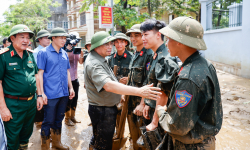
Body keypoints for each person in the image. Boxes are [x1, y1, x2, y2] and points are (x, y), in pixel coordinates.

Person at [84, 31, 162, 150]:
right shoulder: (94, 63)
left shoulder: (100, 59)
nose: (110, 47)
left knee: (102, 140)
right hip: (102, 110)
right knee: (103, 144)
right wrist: (139, 91)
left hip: (104, 107)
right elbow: (108, 85)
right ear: (97, 46)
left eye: (111, 44)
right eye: (106, 44)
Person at [156, 16, 223, 150]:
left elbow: (178, 126)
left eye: (168, 39)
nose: (166, 43)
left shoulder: (188, 77)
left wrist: (160, 111)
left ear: (179, 41)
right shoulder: (204, 64)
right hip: (202, 141)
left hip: (191, 146)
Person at [0, 24, 43, 150]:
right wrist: (3, 108)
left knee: (26, 135)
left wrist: (40, 95)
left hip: (30, 103)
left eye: (28, 37)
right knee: (12, 138)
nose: (26, 40)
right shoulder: (3, 56)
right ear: (12, 38)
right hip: (13, 105)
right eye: (22, 37)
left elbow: (36, 76)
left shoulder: (29, 54)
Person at [140, 19, 179, 150]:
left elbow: (163, 93)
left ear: (158, 35)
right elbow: (153, 84)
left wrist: (154, 121)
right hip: (154, 110)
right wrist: (147, 103)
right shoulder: (155, 55)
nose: (142, 38)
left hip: (161, 117)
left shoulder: (164, 58)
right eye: (142, 35)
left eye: (146, 34)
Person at [37, 27, 75, 150]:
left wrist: (71, 88)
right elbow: (40, 74)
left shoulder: (64, 53)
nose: (64, 40)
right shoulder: (44, 52)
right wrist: (41, 93)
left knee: (59, 118)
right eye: (61, 38)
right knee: (48, 121)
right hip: (50, 93)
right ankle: (45, 146)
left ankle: (57, 143)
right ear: (53, 38)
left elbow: (67, 72)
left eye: (65, 38)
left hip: (63, 93)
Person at [125, 24, 154, 150]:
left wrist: (143, 103)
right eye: (131, 36)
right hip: (131, 102)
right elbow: (132, 77)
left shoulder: (148, 54)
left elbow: (149, 81)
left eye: (136, 35)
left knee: (144, 140)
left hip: (141, 104)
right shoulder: (135, 54)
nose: (133, 38)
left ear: (143, 36)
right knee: (133, 134)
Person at [64, 32, 84, 126]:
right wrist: (68, 51)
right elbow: (64, 62)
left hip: (75, 78)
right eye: (74, 41)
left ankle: (73, 117)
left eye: (77, 41)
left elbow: (80, 62)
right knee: (69, 99)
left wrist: (82, 54)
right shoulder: (64, 50)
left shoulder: (77, 50)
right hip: (67, 79)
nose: (75, 43)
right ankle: (67, 119)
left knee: (75, 98)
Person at [33, 29, 51, 127]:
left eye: (49, 38)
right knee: (41, 111)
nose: (48, 40)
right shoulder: (36, 52)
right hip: (40, 85)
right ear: (39, 39)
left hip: (48, 85)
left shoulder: (50, 51)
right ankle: (43, 133)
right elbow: (36, 73)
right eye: (45, 38)